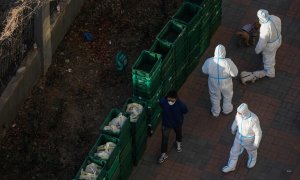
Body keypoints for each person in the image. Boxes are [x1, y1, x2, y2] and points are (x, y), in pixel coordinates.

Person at [240, 9, 282, 85]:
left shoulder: (265, 28)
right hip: (278, 39)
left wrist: (257, 50)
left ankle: (263, 73)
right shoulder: (275, 18)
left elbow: (262, 43)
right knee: (272, 52)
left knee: (269, 63)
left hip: (270, 47)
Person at [222, 103, 262, 173]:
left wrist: (256, 144)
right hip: (238, 137)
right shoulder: (239, 115)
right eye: (238, 112)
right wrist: (233, 128)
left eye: (240, 113)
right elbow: (236, 121)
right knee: (234, 152)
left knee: (251, 150)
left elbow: (258, 133)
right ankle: (231, 166)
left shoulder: (253, 119)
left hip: (248, 140)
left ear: (245, 112)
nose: (238, 114)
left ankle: (252, 159)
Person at [202, 44, 238, 117]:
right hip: (226, 82)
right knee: (228, 95)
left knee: (214, 96)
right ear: (224, 52)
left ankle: (215, 112)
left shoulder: (209, 61)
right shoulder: (228, 62)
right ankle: (227, 110)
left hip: (213, 81)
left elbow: (204, 70)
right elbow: (235, 73)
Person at [157, 90, 188, 164]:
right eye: (168, 99)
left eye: (171, 99)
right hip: (166, 124)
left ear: (176, 98)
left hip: (177, 123)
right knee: (164, 139)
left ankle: (178, 142)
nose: (170, 101)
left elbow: (185, 111)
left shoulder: (180, 105)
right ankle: (163, 153)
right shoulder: (163, 101)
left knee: (178, 133)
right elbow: (161, 103)